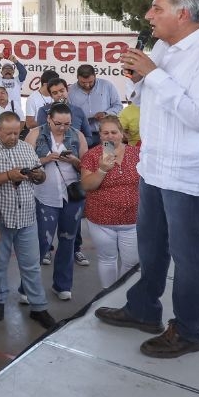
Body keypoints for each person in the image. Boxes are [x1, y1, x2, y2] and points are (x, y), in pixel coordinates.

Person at [98, 0, 199, 358]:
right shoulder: (162, 48)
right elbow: (150, 102)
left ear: (183, 14)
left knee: (188, 254)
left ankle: (190, 330)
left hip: (188, 175)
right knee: (152, 244)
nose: (148, 16)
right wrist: (141, 80)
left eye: (156, 9)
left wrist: (155, 75)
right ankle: (144, 308)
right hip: (155, 168)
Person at [0, 112, 55, 329]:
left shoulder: (26, 148)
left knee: (32, 265)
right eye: (8, 133)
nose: (13, 137)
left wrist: (38, 176)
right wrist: (8, 176)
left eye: (17, 132)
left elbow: (41, 174)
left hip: (26, 216)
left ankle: (39, 307)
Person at [25, 102, 87, 300]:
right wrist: (45, 159)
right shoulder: (35, 134)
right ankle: (26, 288)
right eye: (58, 123)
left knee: (68, 241)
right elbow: (24, 164)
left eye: (67, 124)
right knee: (41, 243)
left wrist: (74, 161)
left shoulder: (77, 135)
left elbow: (86, 167)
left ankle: (62, 285)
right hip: (44, 195)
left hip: (71, 195)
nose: (62, 128)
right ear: (48, 119)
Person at [80, 117, 142, 287]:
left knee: (131, 261)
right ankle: (107, 296)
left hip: (132, 219)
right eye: (105, 133)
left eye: (114, 132)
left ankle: (121, 296)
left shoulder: (137, 154)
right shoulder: (92, 156)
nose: (110, 136)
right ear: (100, 136)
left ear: (122, 134)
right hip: (102, 220)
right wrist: (101, 170)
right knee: (107, 259)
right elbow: (86, 185)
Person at [68, 64, 124, 146]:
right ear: (77, 77)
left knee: (108, 156)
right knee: (85, 158)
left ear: (95, 76)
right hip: (82, 135)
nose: (87, 85)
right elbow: (68, 113)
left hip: (106, 134)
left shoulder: (107, 86)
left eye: (90, 82)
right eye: (83, 82)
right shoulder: (70, 91)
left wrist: (106, 113)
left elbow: (118, 105)